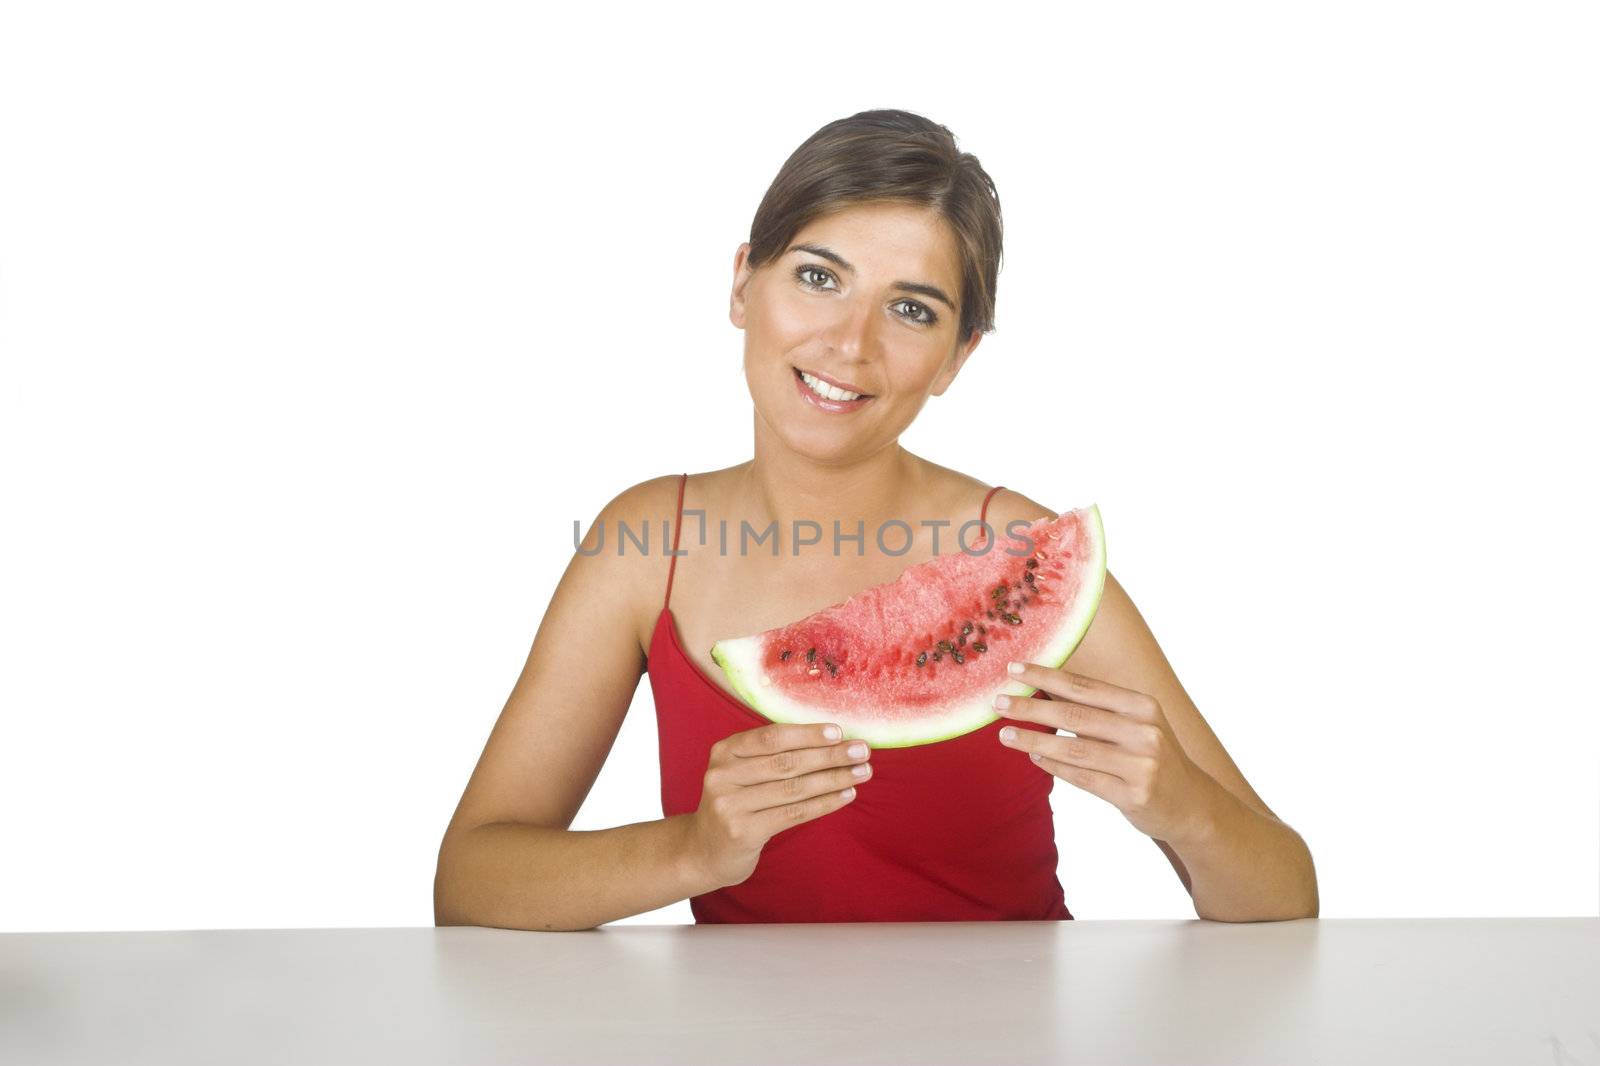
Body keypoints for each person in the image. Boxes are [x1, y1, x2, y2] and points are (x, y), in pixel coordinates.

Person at [433, 109, 1318, 931]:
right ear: (744, 285)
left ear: (956, 358)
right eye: (819, 278)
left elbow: (1285, 894)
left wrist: (1184, 810)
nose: (849, 344)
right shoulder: (646, 546)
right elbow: (469, 882)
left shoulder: (1019, 552)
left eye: (911, 309)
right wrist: (695, 850)